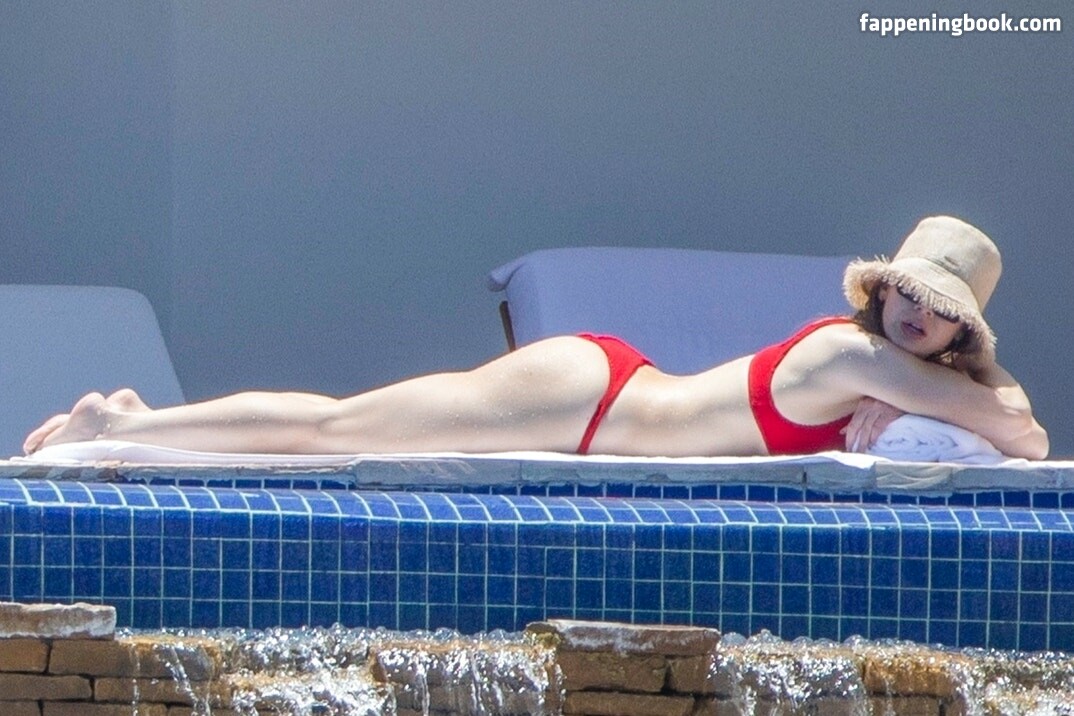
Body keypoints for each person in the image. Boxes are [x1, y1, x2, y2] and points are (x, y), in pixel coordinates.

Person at [23, 215, 1049, 460]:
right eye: (907, 291)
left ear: (957, 331)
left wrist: (940, 388)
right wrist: (964, 381)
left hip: (604, 395)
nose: (915, 313)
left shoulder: (888, 372)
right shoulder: (859, 356)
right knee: (336, 431)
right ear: (883, 289)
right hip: (587, 401)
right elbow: (1026, 433)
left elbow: (1010, 425)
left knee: (338, 429)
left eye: (940, 310)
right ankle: (125, 426)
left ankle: (135, 420)